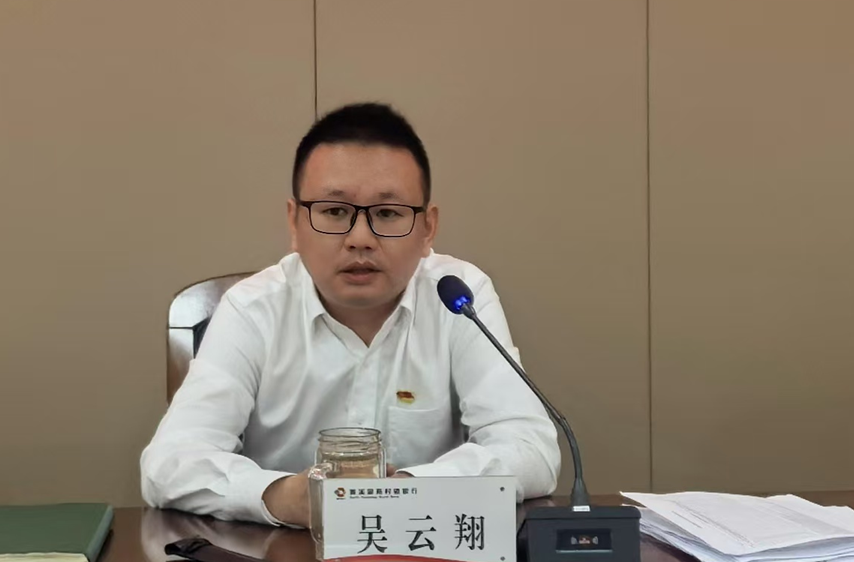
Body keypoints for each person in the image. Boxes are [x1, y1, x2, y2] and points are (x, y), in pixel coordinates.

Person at [141, 103, 559, 527]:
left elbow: (530, 449)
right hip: (282, 557)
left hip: (424, 547)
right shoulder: (252, 309)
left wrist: (406, 491)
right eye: (335, 212)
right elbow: (169, 463)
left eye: (387, 214)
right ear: (295, 223)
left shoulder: (458, 296)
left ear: (427, 228)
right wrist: (284, 497)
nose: (360, 238)